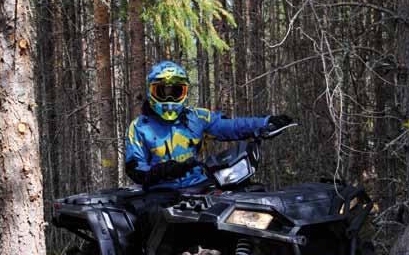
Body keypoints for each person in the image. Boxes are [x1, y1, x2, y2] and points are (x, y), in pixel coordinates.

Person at [125, 60, 292, 189]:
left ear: (184, 93)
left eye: (176, 92)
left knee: (247, 198)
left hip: (200, 186)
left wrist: (266, 122)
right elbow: (135, 169)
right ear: (151, 92)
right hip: (161, 192)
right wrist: (163, 171)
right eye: (162, 92)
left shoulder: (197, 117)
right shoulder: (139, 127)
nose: (169, 99)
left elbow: (231, 127)